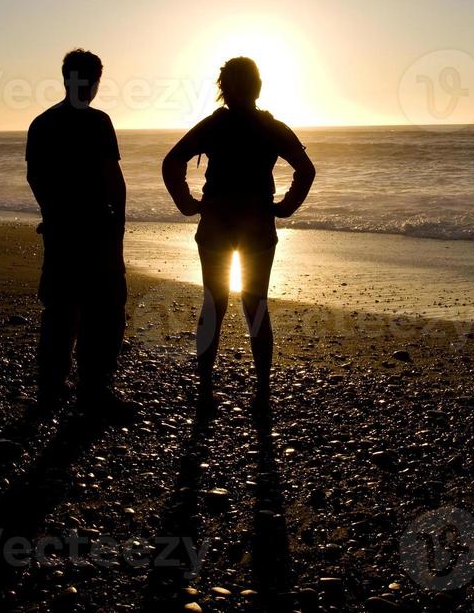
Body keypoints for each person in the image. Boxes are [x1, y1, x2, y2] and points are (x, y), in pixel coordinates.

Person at [162, 57, 316, 415]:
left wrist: (187, 203)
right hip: (258, 225)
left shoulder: (214, 126)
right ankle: (262, 395)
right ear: (257, 87)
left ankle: (205, 393)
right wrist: (286, 206)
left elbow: (172, 162)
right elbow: (305, 170)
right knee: (256, 306)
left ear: (224, 90)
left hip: (215, 223)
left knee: (213, 305)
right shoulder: (270, 126)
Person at [25, 49, 134, 418]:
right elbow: (113, 181)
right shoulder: (97, 122)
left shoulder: (42, 124)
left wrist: (52, 212)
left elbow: (34, 177)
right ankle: (94, 389)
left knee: (60, 308)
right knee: (105, 310)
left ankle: (51, 387)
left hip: (60, 229)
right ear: (94, 81)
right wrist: (116, 230)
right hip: (94, 232)